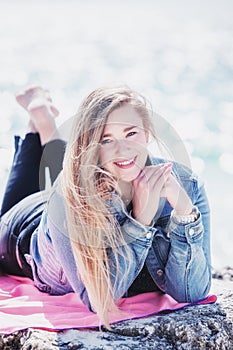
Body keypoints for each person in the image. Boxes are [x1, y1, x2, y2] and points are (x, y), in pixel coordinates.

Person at [0, 85, 211, 329]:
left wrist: (184, 211)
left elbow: (192, 292)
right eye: (106, 139)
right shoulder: (68, 197)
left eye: (131, 133)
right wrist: (140, 220)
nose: (123, 149)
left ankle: (43, 118)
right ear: (91, 145)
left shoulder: (187, 185)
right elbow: (99, 298)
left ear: (147, 133)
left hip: (83, 184)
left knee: (82, 174)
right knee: (68, 186)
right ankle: (41, 120)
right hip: (28, 230)